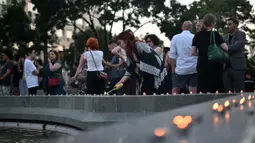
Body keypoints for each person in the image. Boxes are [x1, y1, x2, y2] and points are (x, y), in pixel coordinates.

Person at [191, 13, 228, 93]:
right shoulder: (215, 34)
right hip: (214, 64)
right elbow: (225, 48)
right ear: (213, 23)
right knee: (216, 86)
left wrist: (203, 53)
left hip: (201, 64)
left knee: (202, 86)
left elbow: (193, 52)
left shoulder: (197, 36)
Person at [170, 21, 197, 94]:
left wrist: (173, 71)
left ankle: (175, 104)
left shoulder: (175, 38)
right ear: (191, 28)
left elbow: (172, 55)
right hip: (194, 68)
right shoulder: (195, 37)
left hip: (180, 69)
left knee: (175, 90)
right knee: (193, 90)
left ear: (182, 27)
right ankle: (194, 104)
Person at [223, 18, 246, 93]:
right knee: (227, 91)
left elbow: (237, 45)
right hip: (226, 67)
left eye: (230, 24)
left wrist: (226, 47)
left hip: (238, 67)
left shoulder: (241, 34)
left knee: (240, 90)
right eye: (227, 24)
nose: (228, 26)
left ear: (236, 25)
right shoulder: (225, 37)